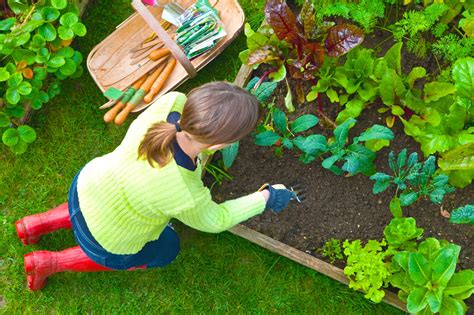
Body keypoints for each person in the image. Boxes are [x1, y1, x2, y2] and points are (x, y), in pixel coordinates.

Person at [15, 81, 296, 291]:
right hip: (106, 240)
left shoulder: (170, 103)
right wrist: (266, 198)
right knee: (167, 248)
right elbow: (216, 219)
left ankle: (34, 224)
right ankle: (48, 263)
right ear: (220, 146)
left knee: (95, 205)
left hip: (87, 185)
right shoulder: (185, 192)